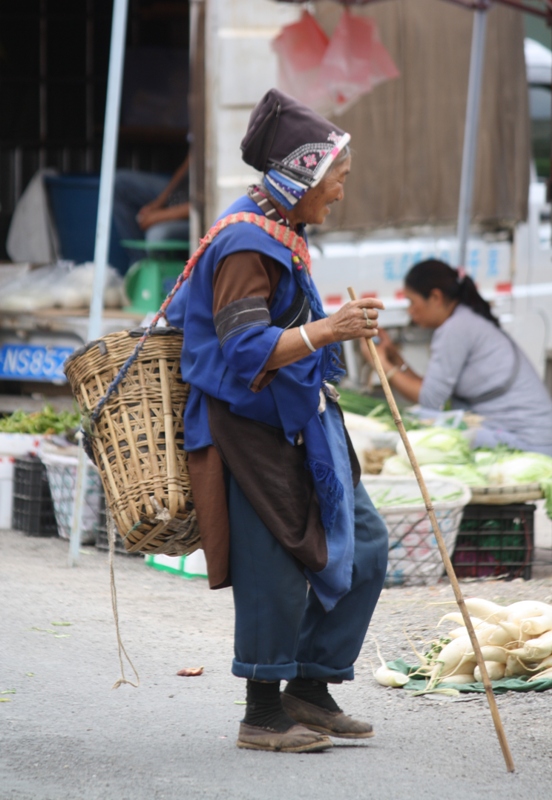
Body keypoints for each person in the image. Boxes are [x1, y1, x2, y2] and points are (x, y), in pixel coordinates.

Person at [166, 89, 389, 754]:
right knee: (276, 563)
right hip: (246, 426)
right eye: (337, 180)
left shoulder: (279, 230)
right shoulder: (243, 244)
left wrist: (329, 334)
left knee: (367, 543)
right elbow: (243, 350)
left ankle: (311, 688)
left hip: (299, 415)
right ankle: (262, 713)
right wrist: (330, 330)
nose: (340, 194)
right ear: (301, 175)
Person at [366, 258, 552, 455]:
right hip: (531, 434)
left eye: (412, 302)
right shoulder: (462, 320)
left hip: (530, 442)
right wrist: (394, 357)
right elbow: (432, 389)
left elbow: (430, 400)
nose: (410, 312)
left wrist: (379, 364)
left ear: (435, 297)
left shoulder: (455, 328)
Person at [112, 156, 190, 272]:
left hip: (197, 214)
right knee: (120, 182)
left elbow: (206, 205)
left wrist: (159, 216)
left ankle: (161, 277)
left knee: (156, 235)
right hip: (183, 196)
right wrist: (158, 203)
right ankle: (141, 266)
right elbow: (189, 163)